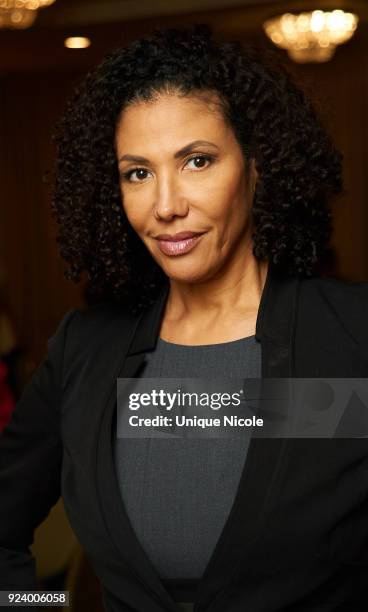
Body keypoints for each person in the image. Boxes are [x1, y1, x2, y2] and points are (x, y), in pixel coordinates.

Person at [1, 23, 368, 612]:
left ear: (257, 165)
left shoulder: (352, 338)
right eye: (137, 173)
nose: (166, 206)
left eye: (197, 161)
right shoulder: (85, 352)